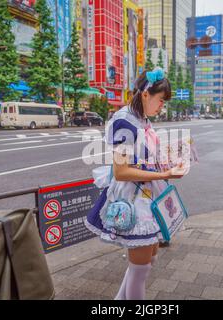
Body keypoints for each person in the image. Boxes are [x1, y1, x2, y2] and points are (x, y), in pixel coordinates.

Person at [84, 68, 187, 300]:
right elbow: (121, 172)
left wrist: (168, 163)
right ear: (145, 94)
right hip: (134, 198)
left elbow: (142, 159)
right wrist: (164, 175)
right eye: (161, 100)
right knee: (141, 268)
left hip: (146, 195)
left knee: (146, 261)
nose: (162, 106)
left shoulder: (141, 118)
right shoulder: (125, 121)